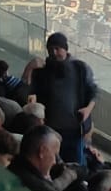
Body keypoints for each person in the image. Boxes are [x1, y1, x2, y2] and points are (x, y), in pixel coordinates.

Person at [30, 32, 97, 165]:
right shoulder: (41, 73)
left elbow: (93, 92)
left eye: (57, 48)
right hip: (51, 130)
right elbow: (33, 95)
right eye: (50, 49)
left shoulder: (80, 69)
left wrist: (88, 110)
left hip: (75, 129)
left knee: (76, 165)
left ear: (65, 49)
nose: (54, 53)